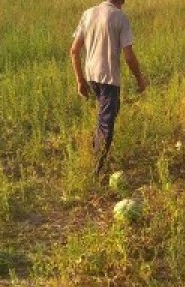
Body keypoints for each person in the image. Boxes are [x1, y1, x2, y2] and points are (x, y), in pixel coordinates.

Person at [70, 0, 148, 175]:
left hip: (91, 76)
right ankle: (96, 169)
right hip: (109, 78)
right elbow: (128, 56)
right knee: (107, 124)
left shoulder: (88, 14)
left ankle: (98, 149)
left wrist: (80, 80)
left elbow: (74, 50)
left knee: (108, 113)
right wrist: (140, 79)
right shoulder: (120, 18)